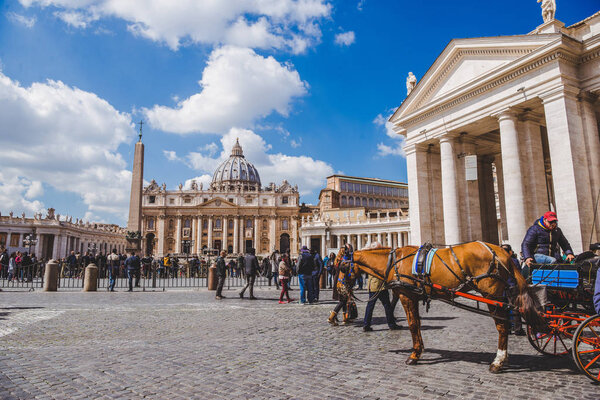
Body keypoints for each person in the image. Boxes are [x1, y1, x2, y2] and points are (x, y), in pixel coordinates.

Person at [329, 244, 358, 325]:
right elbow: (348, 273)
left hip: (338, 282)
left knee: (344, 301)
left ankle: (345, 318)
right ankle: (332, 316)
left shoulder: (337, 260)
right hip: (343, 283)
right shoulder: (344, 262)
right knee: (342, 301)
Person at [501, 244, 525, 336]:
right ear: (510, 252)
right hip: (512, 286)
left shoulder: (499, 261)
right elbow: (518, 273)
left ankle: (507, 328)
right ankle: (518, 329)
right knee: (515, 309)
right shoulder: (514, 261)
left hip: (502, 287)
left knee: (504, 309)